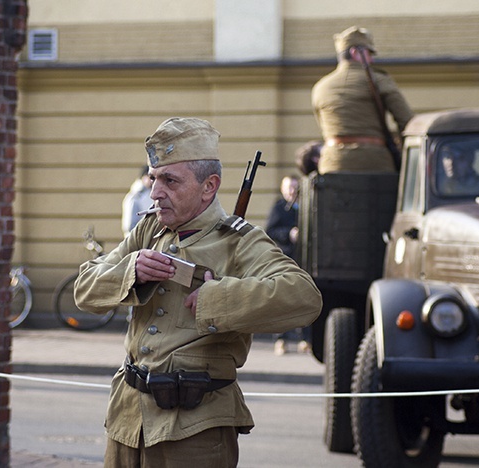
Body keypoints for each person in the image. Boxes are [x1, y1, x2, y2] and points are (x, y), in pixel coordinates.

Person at [73, 117, 322, 467]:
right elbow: (85, 290)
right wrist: (131, 271)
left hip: (195, 429)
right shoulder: (149, 231)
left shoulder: (239, 242)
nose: (156, 192)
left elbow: (303, 297)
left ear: (209, 186)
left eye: (170, 181)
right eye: (153, 179)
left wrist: (216, 299)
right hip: (127, 423)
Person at [311, 26, 414, 174]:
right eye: (369, 53)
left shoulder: (320, 87)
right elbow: (406, 121)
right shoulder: (379, 80)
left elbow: (323, 127)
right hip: (374, 163)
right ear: (355, 52)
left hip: (332, 164)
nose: (371, 59)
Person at [265, 176, 312, 355]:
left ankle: (305, 339)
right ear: (283, 189)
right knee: (282, 301)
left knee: (304, 300)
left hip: (303, 260)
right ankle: (281, 340)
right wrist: (288, 234)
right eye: (288, 188)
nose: (292, 191)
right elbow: (270, 231)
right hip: (285, 259)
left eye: (294, 187)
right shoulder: (279, 208)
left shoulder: (305, 207)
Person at [122, 165, 153, 238]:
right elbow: (130, 225)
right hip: (137, 239)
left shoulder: (147, 194)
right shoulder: (136, 196)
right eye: (150, 177)